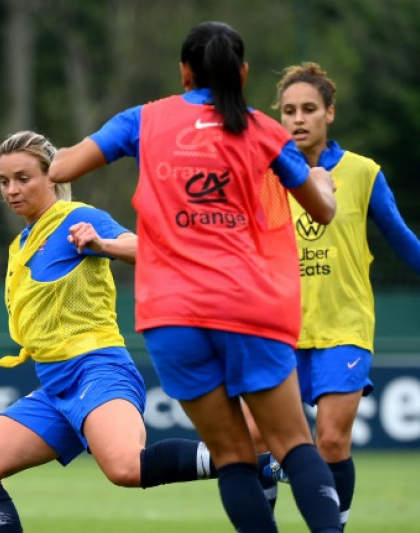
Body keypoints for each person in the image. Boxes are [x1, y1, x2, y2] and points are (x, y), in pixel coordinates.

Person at [48, 21, 344, 533]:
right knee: (294, 444)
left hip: (172, 315)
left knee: (231, 456)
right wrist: (321, 180)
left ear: (184, 73)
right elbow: (321, 213)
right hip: (249, 305)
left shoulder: (145, 119)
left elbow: (61, 169)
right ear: (244, 73)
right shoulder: (264, 130)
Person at [0, 130, 220, 533]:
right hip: (55, 383)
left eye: (23, 178)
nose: (12, 189)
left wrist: (102, 244)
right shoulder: (23, 242)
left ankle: (254, 461)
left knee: (126, 467)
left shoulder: (77, 218)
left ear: (53, 177)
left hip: (96, 369)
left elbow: (151, 252)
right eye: (4, 181)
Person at [264, 61, 420, 528]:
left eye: (308, 109)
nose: (298, 119)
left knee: (333, 442)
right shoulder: (266, 175)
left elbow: (404, 239)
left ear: (330, 114)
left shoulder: (362, 173)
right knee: (261, 443)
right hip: (278, 330)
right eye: (288, 111)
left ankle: (333, 526)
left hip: (345, 328)